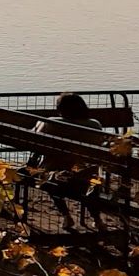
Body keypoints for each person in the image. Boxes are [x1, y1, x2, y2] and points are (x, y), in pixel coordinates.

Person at [31, 93, 108, 228]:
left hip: (56, 174)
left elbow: (34, 141)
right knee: (89, 186)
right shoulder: (95, 125)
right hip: (87, 175)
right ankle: (97, 219)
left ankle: (66, 216)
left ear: (60, 109)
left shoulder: (51, 123)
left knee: (50, 179)